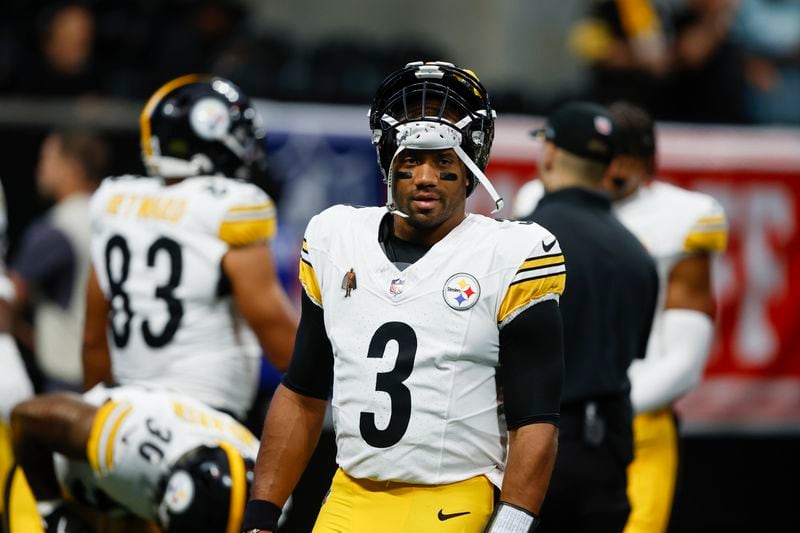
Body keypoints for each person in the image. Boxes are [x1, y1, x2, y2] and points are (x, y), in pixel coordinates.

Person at [243, 61, 566, 533]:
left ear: (472, 165)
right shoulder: (337, 237)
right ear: (388, 159)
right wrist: (261, 514)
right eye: (411, 158)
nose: (426, 176)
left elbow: (535, 419)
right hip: (348, 497)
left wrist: (511, 525)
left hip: (451, 500)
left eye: (443, 161)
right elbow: (303, 393)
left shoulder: (512, 254)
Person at [82, 74, 298, 422]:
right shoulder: (231, 208)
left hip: (123, 414)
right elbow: (286, 350)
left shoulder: (114, 204)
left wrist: (99, 429)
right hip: (203, 418)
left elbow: (93, 340)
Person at [523, 101, 658, 533]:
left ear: (549, 154)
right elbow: (633, 351)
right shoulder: (639, 254)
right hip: (608, 460)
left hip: (534, 452)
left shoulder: (520, 243)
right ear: (607, 167)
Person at [605, 101, 727, 533]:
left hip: (636, 416)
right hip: (553, 421)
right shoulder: (541, 201)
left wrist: (602, 405)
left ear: (643, 161)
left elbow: (684, 360)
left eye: (618, 155)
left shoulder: (682, 219)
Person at [8, 384, 258, 532]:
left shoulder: (277, 488)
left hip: (126, 508)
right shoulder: (130, 444)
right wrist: (51, 510)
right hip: (50, 480)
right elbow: (26, 417)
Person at [9, 129, 108, 391]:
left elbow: (8, 301)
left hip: (67, 381)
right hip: (115, 374)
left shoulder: (57, 228)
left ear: (71, 167)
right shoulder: (116, 217)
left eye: (47, 160)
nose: (40, 169)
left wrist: (28, 336)